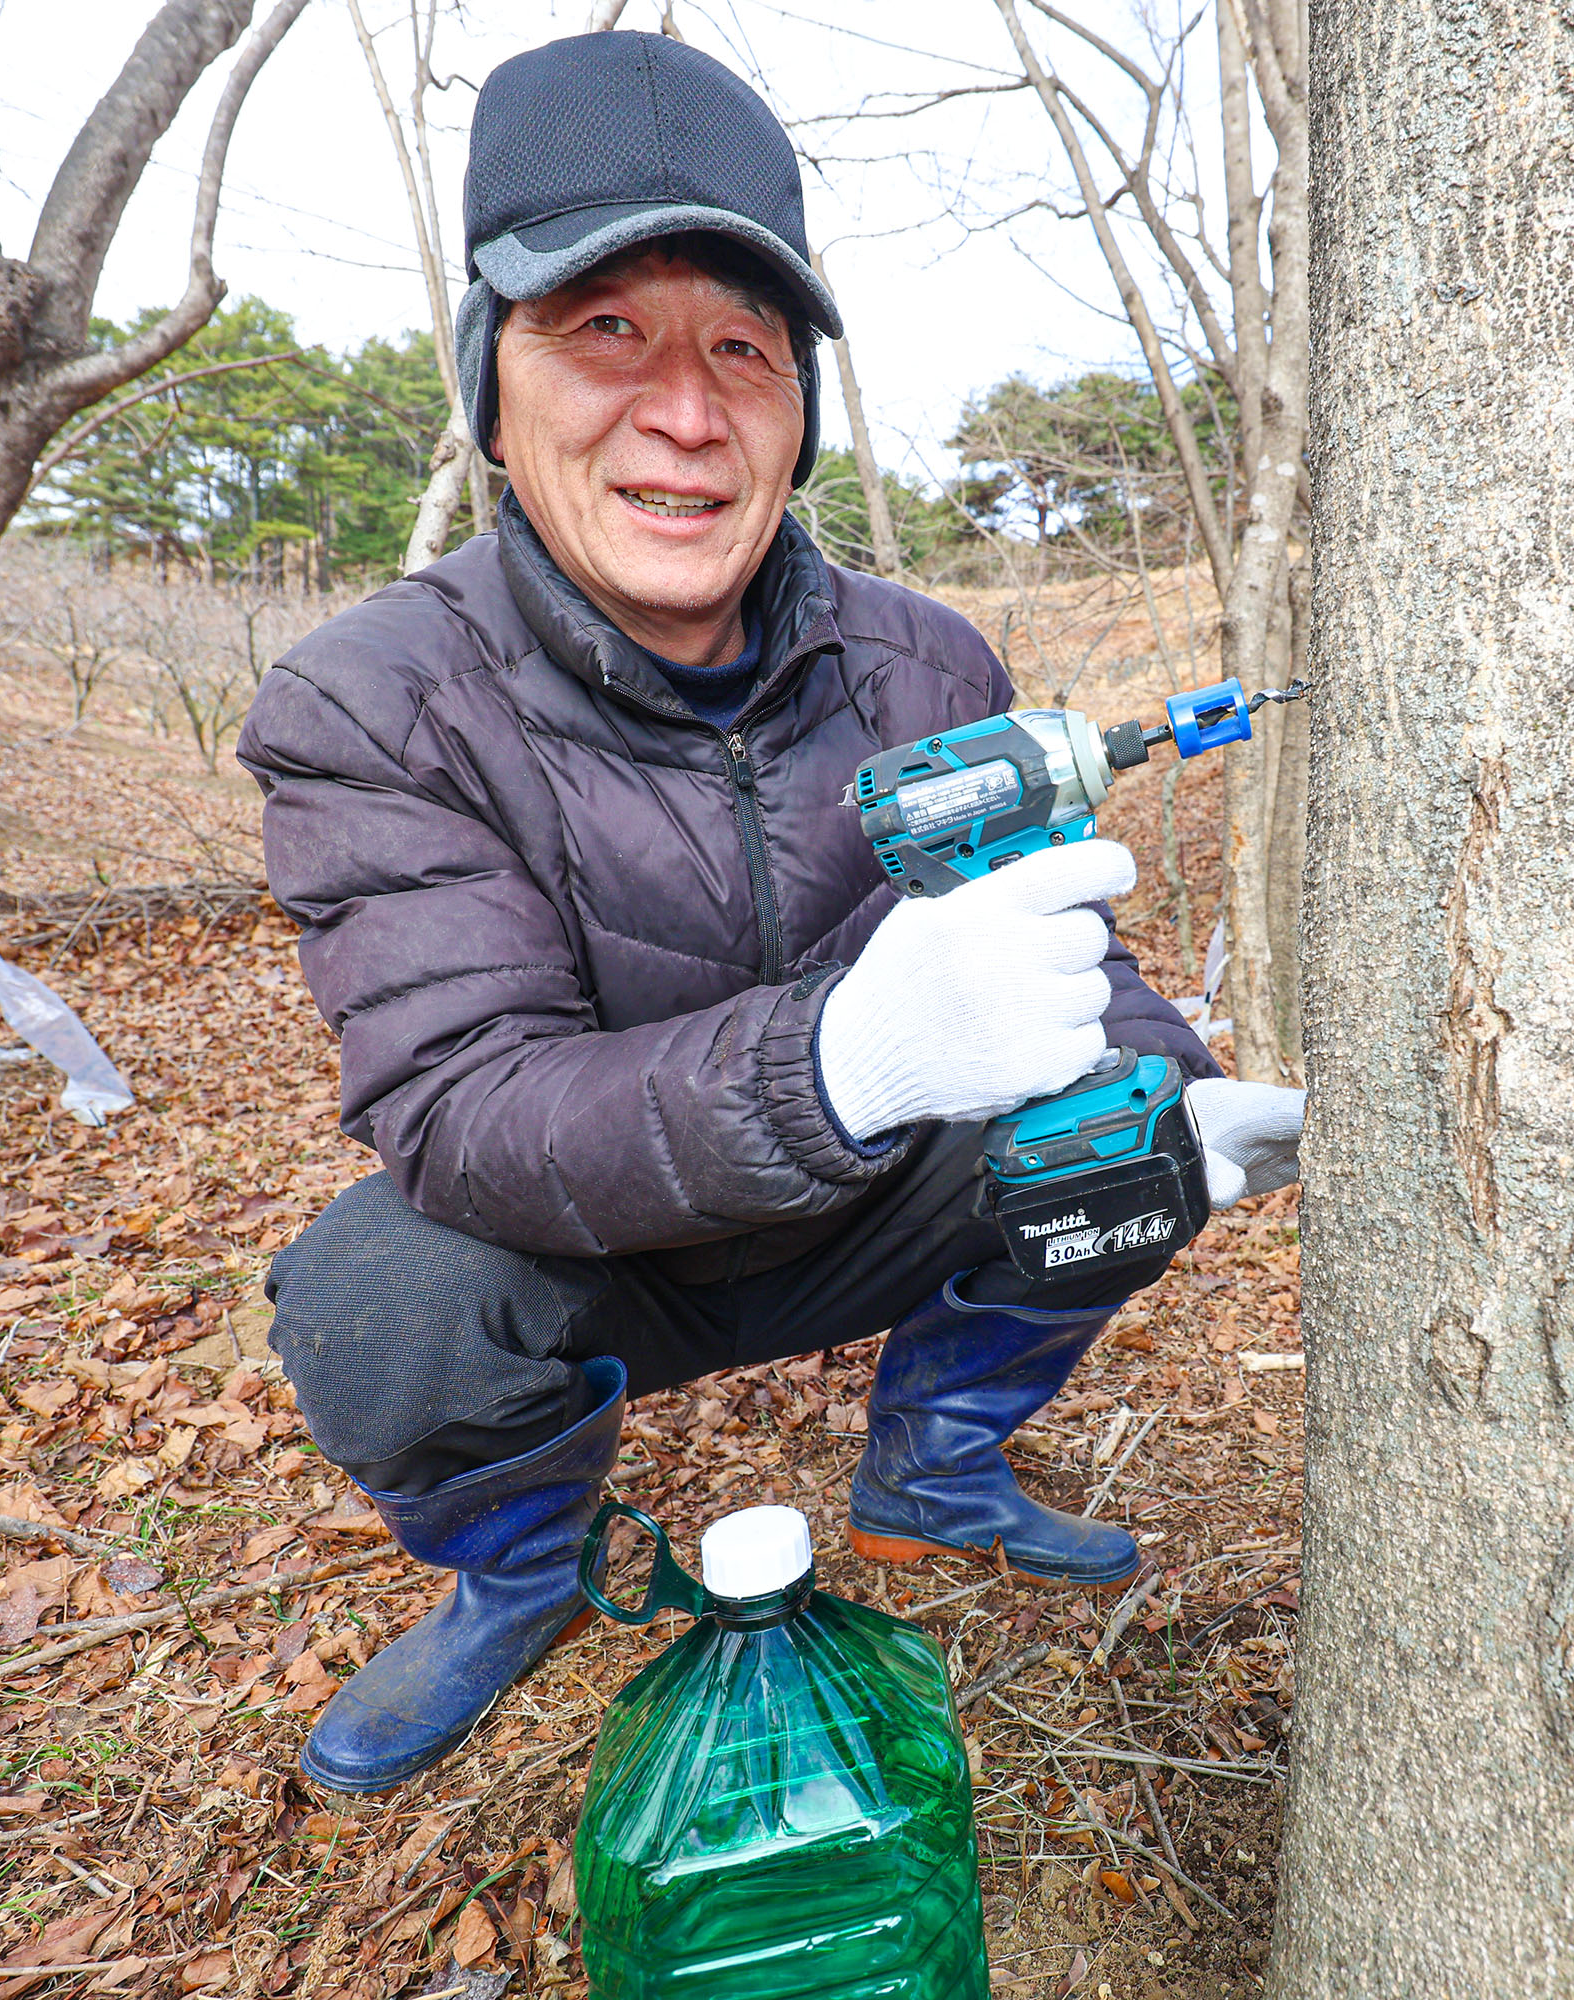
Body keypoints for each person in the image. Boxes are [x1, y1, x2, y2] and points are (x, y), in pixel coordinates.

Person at [235, 30, 1304, 1797]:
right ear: (487, 386)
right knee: (379, 1302)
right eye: (603, 334)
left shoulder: (925, 661)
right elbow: (463, 1112)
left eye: (745, 347)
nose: (685, 410)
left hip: (872, 1207)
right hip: (594, 1257)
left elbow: (1057, 966)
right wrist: (842, 1059)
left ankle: (937, 1462)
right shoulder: (371, 701)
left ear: (800, 407)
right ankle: (526, 1576)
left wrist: (1166, 1086)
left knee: (1128, 1136)